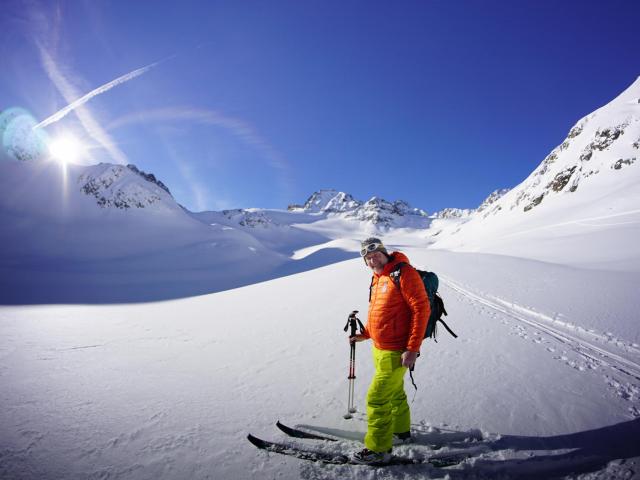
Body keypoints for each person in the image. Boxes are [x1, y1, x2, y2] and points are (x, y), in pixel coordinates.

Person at [350, 237, 430, 465]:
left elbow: (421, 308)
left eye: (375, 253)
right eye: (367, 256)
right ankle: (401, 432)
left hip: (397, 350)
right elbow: (381, 313)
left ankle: (379, 449)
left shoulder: (402, 273)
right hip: (380, 349)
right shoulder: (378, 278)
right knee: (395, 393)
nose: (372, 258)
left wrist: (413, 348)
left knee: (377, 399)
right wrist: (365, 334)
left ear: (385, 253)